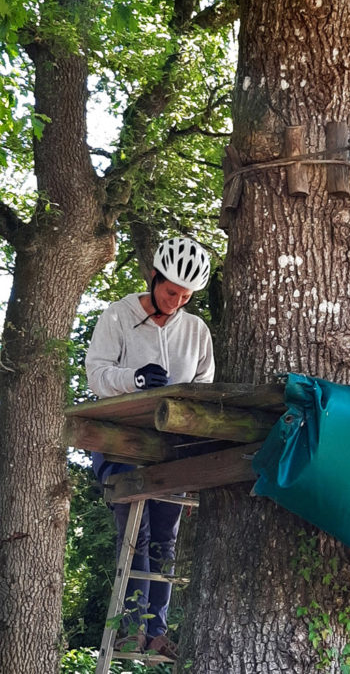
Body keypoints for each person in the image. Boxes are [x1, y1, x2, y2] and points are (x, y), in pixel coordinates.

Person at [86, 236, 214, 660]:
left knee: (165, 539)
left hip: (172, 448)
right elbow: (96, 374)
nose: (176, 301)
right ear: (154, 278)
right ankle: (130, 629)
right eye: (170, 291)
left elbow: (204, 388)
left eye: (185, 295)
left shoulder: (196, 330)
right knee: (134, 536)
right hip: (121, 440)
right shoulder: (118, 316)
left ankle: (156, 632)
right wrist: (135, 379)